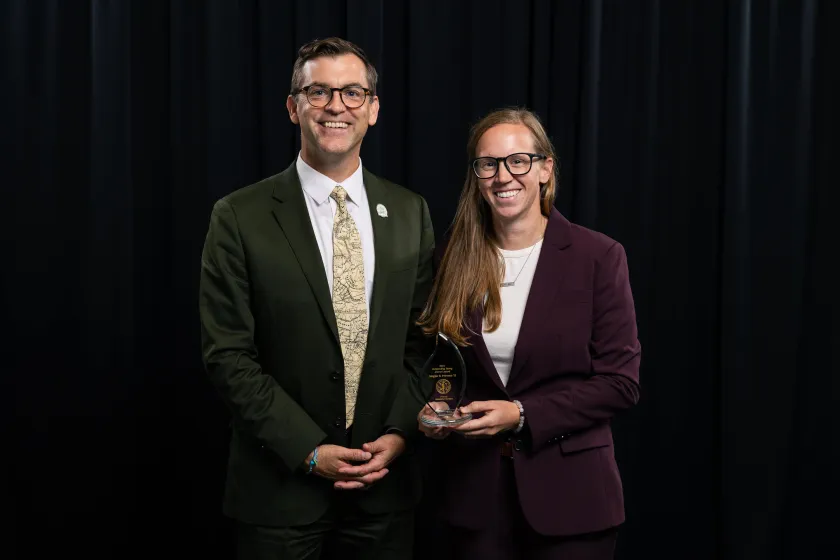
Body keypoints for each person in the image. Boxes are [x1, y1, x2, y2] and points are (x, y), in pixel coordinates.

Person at [198, 37, 434, 560]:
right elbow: (228, 355)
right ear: (293, 106)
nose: (335, 106)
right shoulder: (239, 216)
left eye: (352, 93)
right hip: (279, 495)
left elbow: (425, 343)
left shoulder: (411, 212)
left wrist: (399, 435)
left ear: (373, 109)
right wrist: (307, 451)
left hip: (384, 492)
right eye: (319, 91)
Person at [415, 107, 641, 559]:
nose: (504, 176)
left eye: (518, 160)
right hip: (473, 497)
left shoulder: (597, 257)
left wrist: (521, 413)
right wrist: (437, 405)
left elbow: (620, 384)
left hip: (573, 500)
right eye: (489, 164)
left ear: (545, 169)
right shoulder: (451, 257)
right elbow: (439, 359)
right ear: (476, 176)